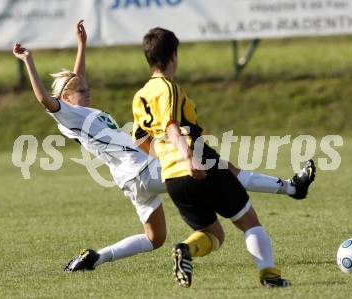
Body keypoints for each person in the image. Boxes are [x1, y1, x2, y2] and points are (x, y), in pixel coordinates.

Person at [12, 21, 315, 276]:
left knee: (155, 238)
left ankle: (95, 258)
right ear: (65, 96)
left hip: (130, 180)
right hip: (145, 167)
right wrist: (29, 61)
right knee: (226, 170)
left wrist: (81, 44)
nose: (88, 90)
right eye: (81, 90)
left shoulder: (79, 111)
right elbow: (44, 99)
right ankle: (291, 187)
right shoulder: (65, 112)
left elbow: (77, 81)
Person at [132, 27, 316, 288]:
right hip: (196, 160)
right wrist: (188, 157)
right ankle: (270, 276)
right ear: (173, 56)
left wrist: (167, 157)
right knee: (249, 221)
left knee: (213, 233)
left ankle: (186, 248)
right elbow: (172, 126)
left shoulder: (140, 96)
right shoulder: (168, 88)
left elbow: (139, 138)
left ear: (148, 57)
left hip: (172, 177)